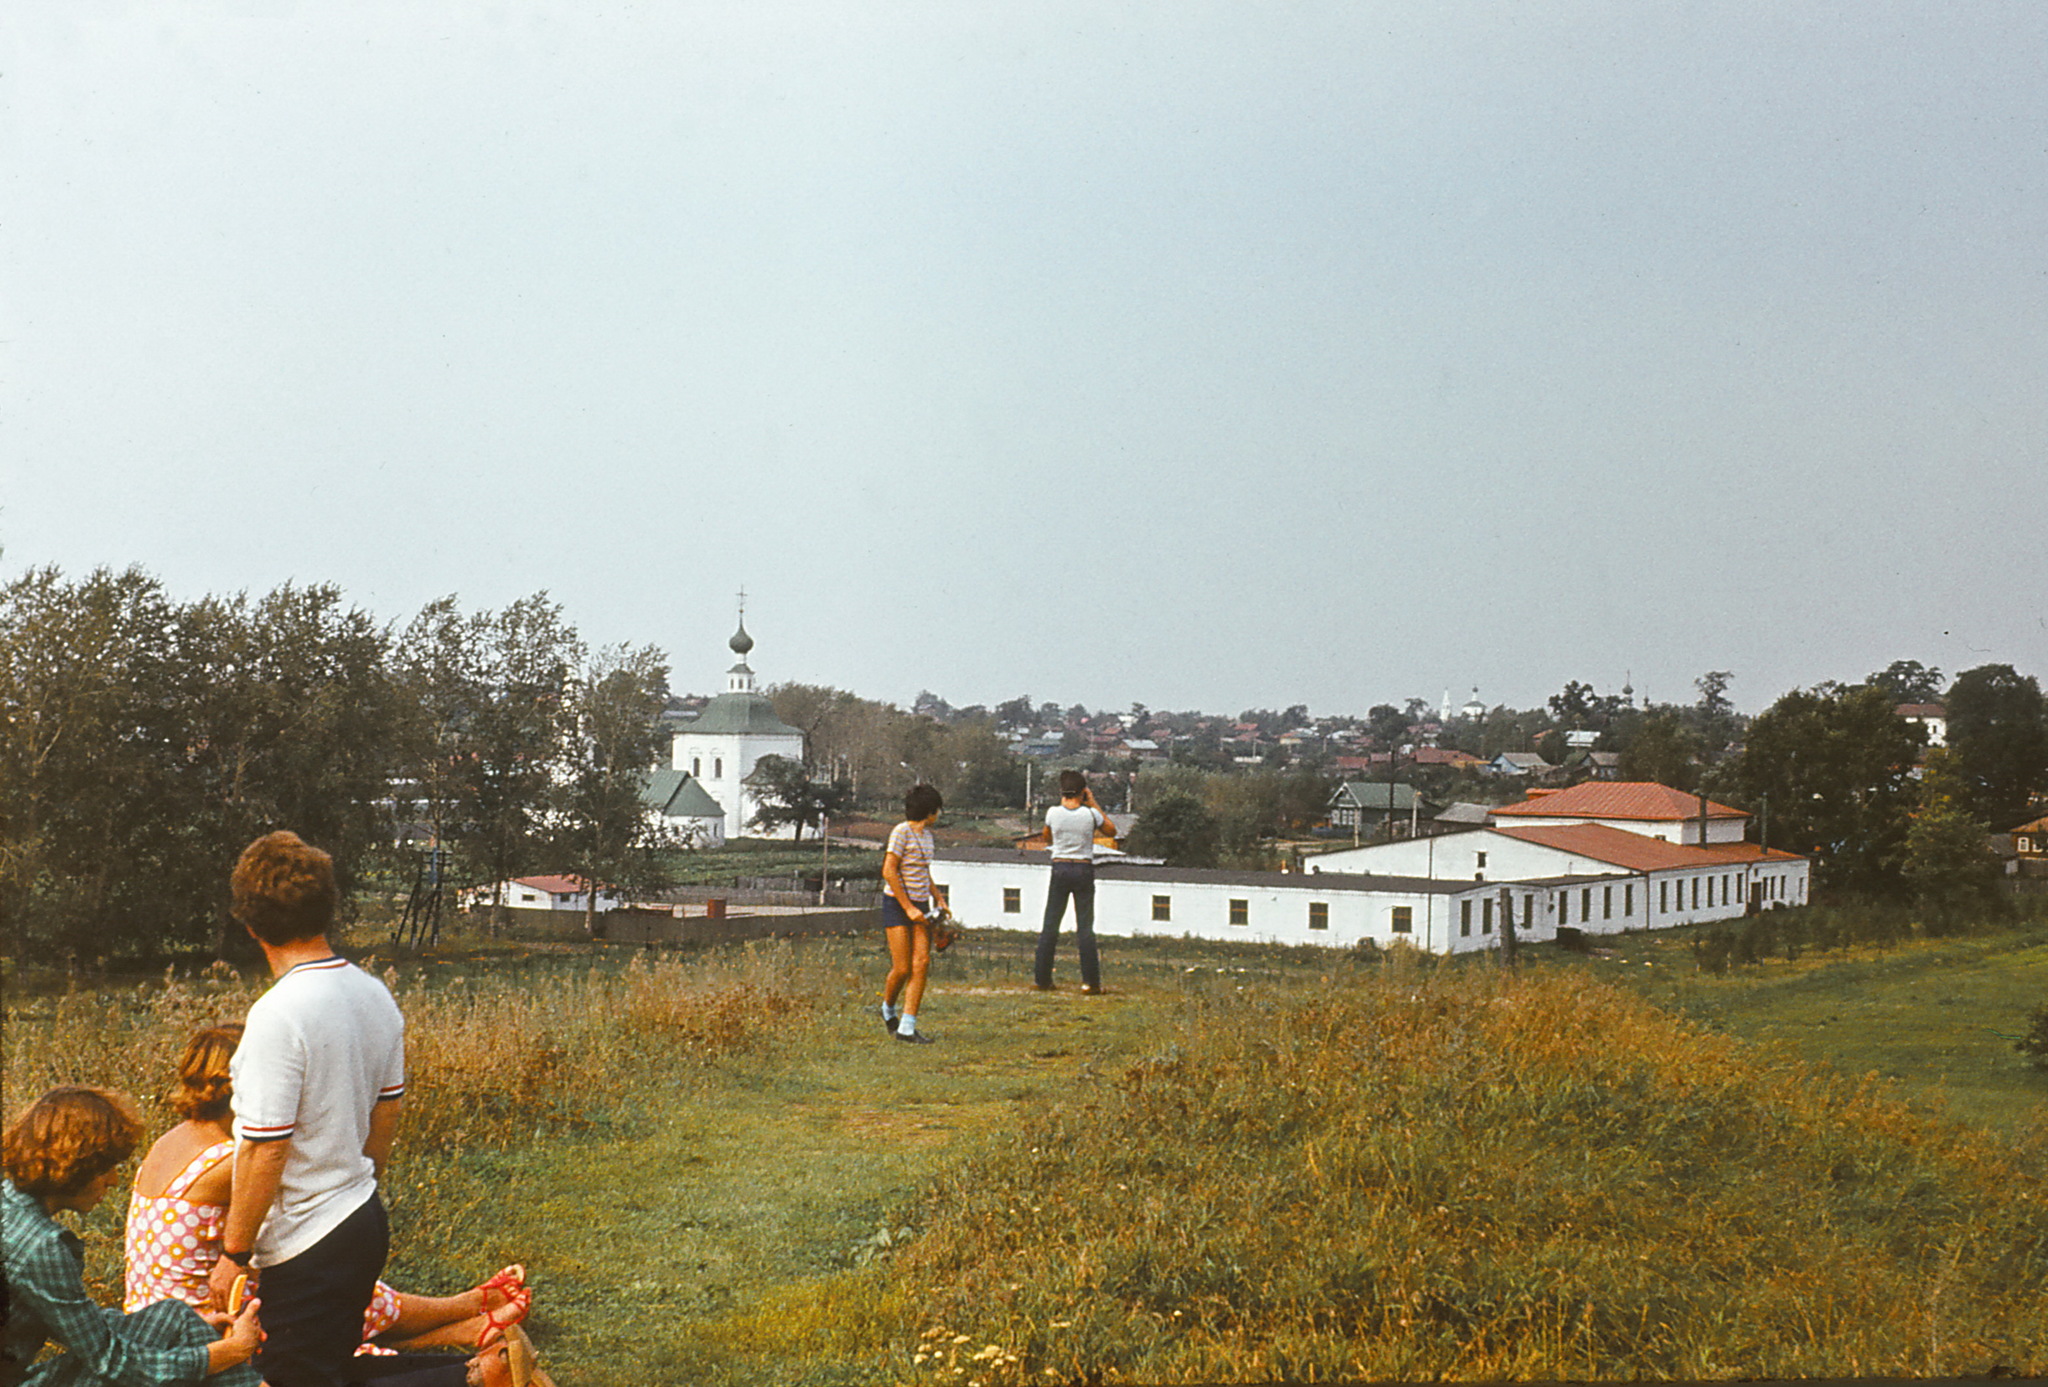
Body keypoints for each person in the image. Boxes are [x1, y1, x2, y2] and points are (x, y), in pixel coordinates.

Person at [203, 829, 470, 1387]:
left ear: (251, 926)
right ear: (328, 910)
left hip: (307, 1236)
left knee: (291, 1376)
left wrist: (235, 1253)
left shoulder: (278, 1016)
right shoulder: (373, 994)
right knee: (328, 1365)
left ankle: (481, 1377)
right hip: (361, 1217)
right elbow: (386, 1115)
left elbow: (264, 1150)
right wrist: (358, 1185)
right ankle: (475, 1372)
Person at [125, 1024, 530, 1356]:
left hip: (150, 1317)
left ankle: (467, 1318)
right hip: (207, 1326)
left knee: (322, 1289)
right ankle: (469, 1311)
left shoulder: (176, 1140)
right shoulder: (235, 1161)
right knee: (329, 1289)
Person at [2, 1085, 263, 1387]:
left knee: (175, 1318)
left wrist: (199, 1334)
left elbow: (73, 1317)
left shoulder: (12, 1211)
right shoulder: (41, 1246)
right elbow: (110, 1362)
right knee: (180, 1346)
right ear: (78, 1167)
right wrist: (226, 1352)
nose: (113, 1181)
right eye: (107, 1169)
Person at [879, 783, 949, 1044]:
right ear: (930, 811)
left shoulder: (927, 837)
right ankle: (887, 1009)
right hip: (897, 904)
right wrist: (907, 907)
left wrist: (938, 898)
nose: (939, 815)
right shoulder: (901, 832)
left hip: (921, 906)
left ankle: (907, 1027)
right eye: (937, 810)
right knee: (902, 967)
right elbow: (889, 871)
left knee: (922, 964)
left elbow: (922, 871)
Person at [1035, 769, 1110, 994]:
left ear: (1062, 791)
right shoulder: (1090, 814)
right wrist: (1094, 802)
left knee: (1050, 925)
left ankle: (1043, 979)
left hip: (1060, 866)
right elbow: (1111, 830)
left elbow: (1047, 837)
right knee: (1085, 928)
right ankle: (1090, 982)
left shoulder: (1052, 813)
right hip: (1083, 868)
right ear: (1083, 792)